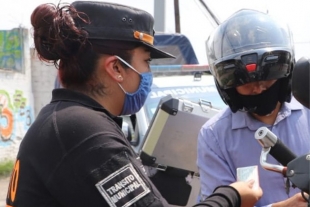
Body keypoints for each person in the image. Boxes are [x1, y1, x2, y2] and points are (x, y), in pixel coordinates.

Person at [5, 2, 262, 207]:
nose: (149, 73)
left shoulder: (65, 120)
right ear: (116, 67)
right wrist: (233, 196)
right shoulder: (85, 132)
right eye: (147, 61)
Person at [197, 8, 310, 207]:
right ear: (228, 86)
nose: (258, 87)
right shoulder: (214, 135)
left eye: (267, 79)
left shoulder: (308, 109)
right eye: (245, 83)